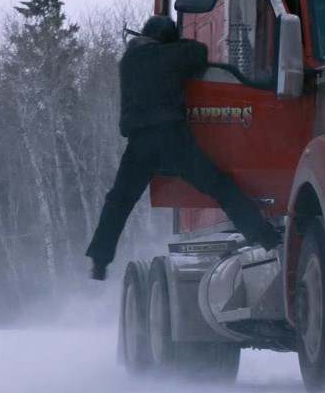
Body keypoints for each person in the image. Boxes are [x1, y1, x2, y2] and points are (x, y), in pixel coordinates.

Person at [84, 15, 282, 281]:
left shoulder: (128, 60)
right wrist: (178, 43)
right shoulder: (168, 55)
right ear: (166, 38)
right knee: (219, 185)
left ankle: (100, 259)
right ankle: (265, 237)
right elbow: (198, 52)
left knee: (119, 200)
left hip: (140, 143)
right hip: (172, 138)